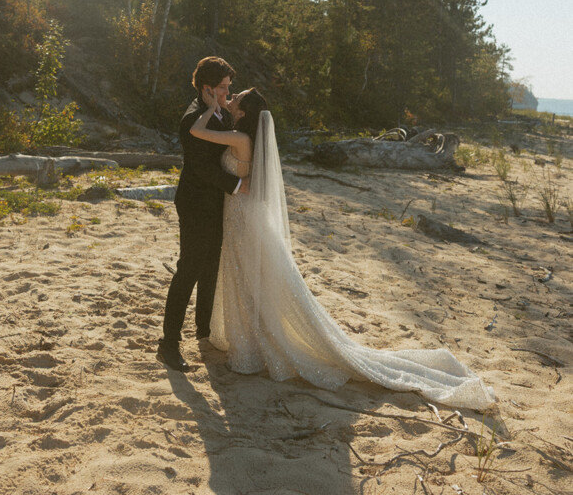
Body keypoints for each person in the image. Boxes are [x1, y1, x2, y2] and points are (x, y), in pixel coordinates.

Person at [188, 87, 496, 411]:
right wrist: (218, 107)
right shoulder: (244, 135)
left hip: (244, 220)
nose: (230, 97)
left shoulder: (241, 139)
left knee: (249, 278)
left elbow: (196, 132)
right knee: (246, 279)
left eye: (235, 98)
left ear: (243, 112)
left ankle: (249, 353)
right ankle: (248, 348)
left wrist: (209, 106)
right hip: (242, 217)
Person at [158, 56, 248, 372]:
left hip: (216, 203)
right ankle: (168, 345)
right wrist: (239, 185)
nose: (227, 92)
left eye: (228, 87)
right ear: (207, 89)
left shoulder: (217, 112)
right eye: (222, 88)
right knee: (189, 269)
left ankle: (203, 332)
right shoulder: (192, 118)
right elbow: (202, 168)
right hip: (195, 203)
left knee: (210, 267)